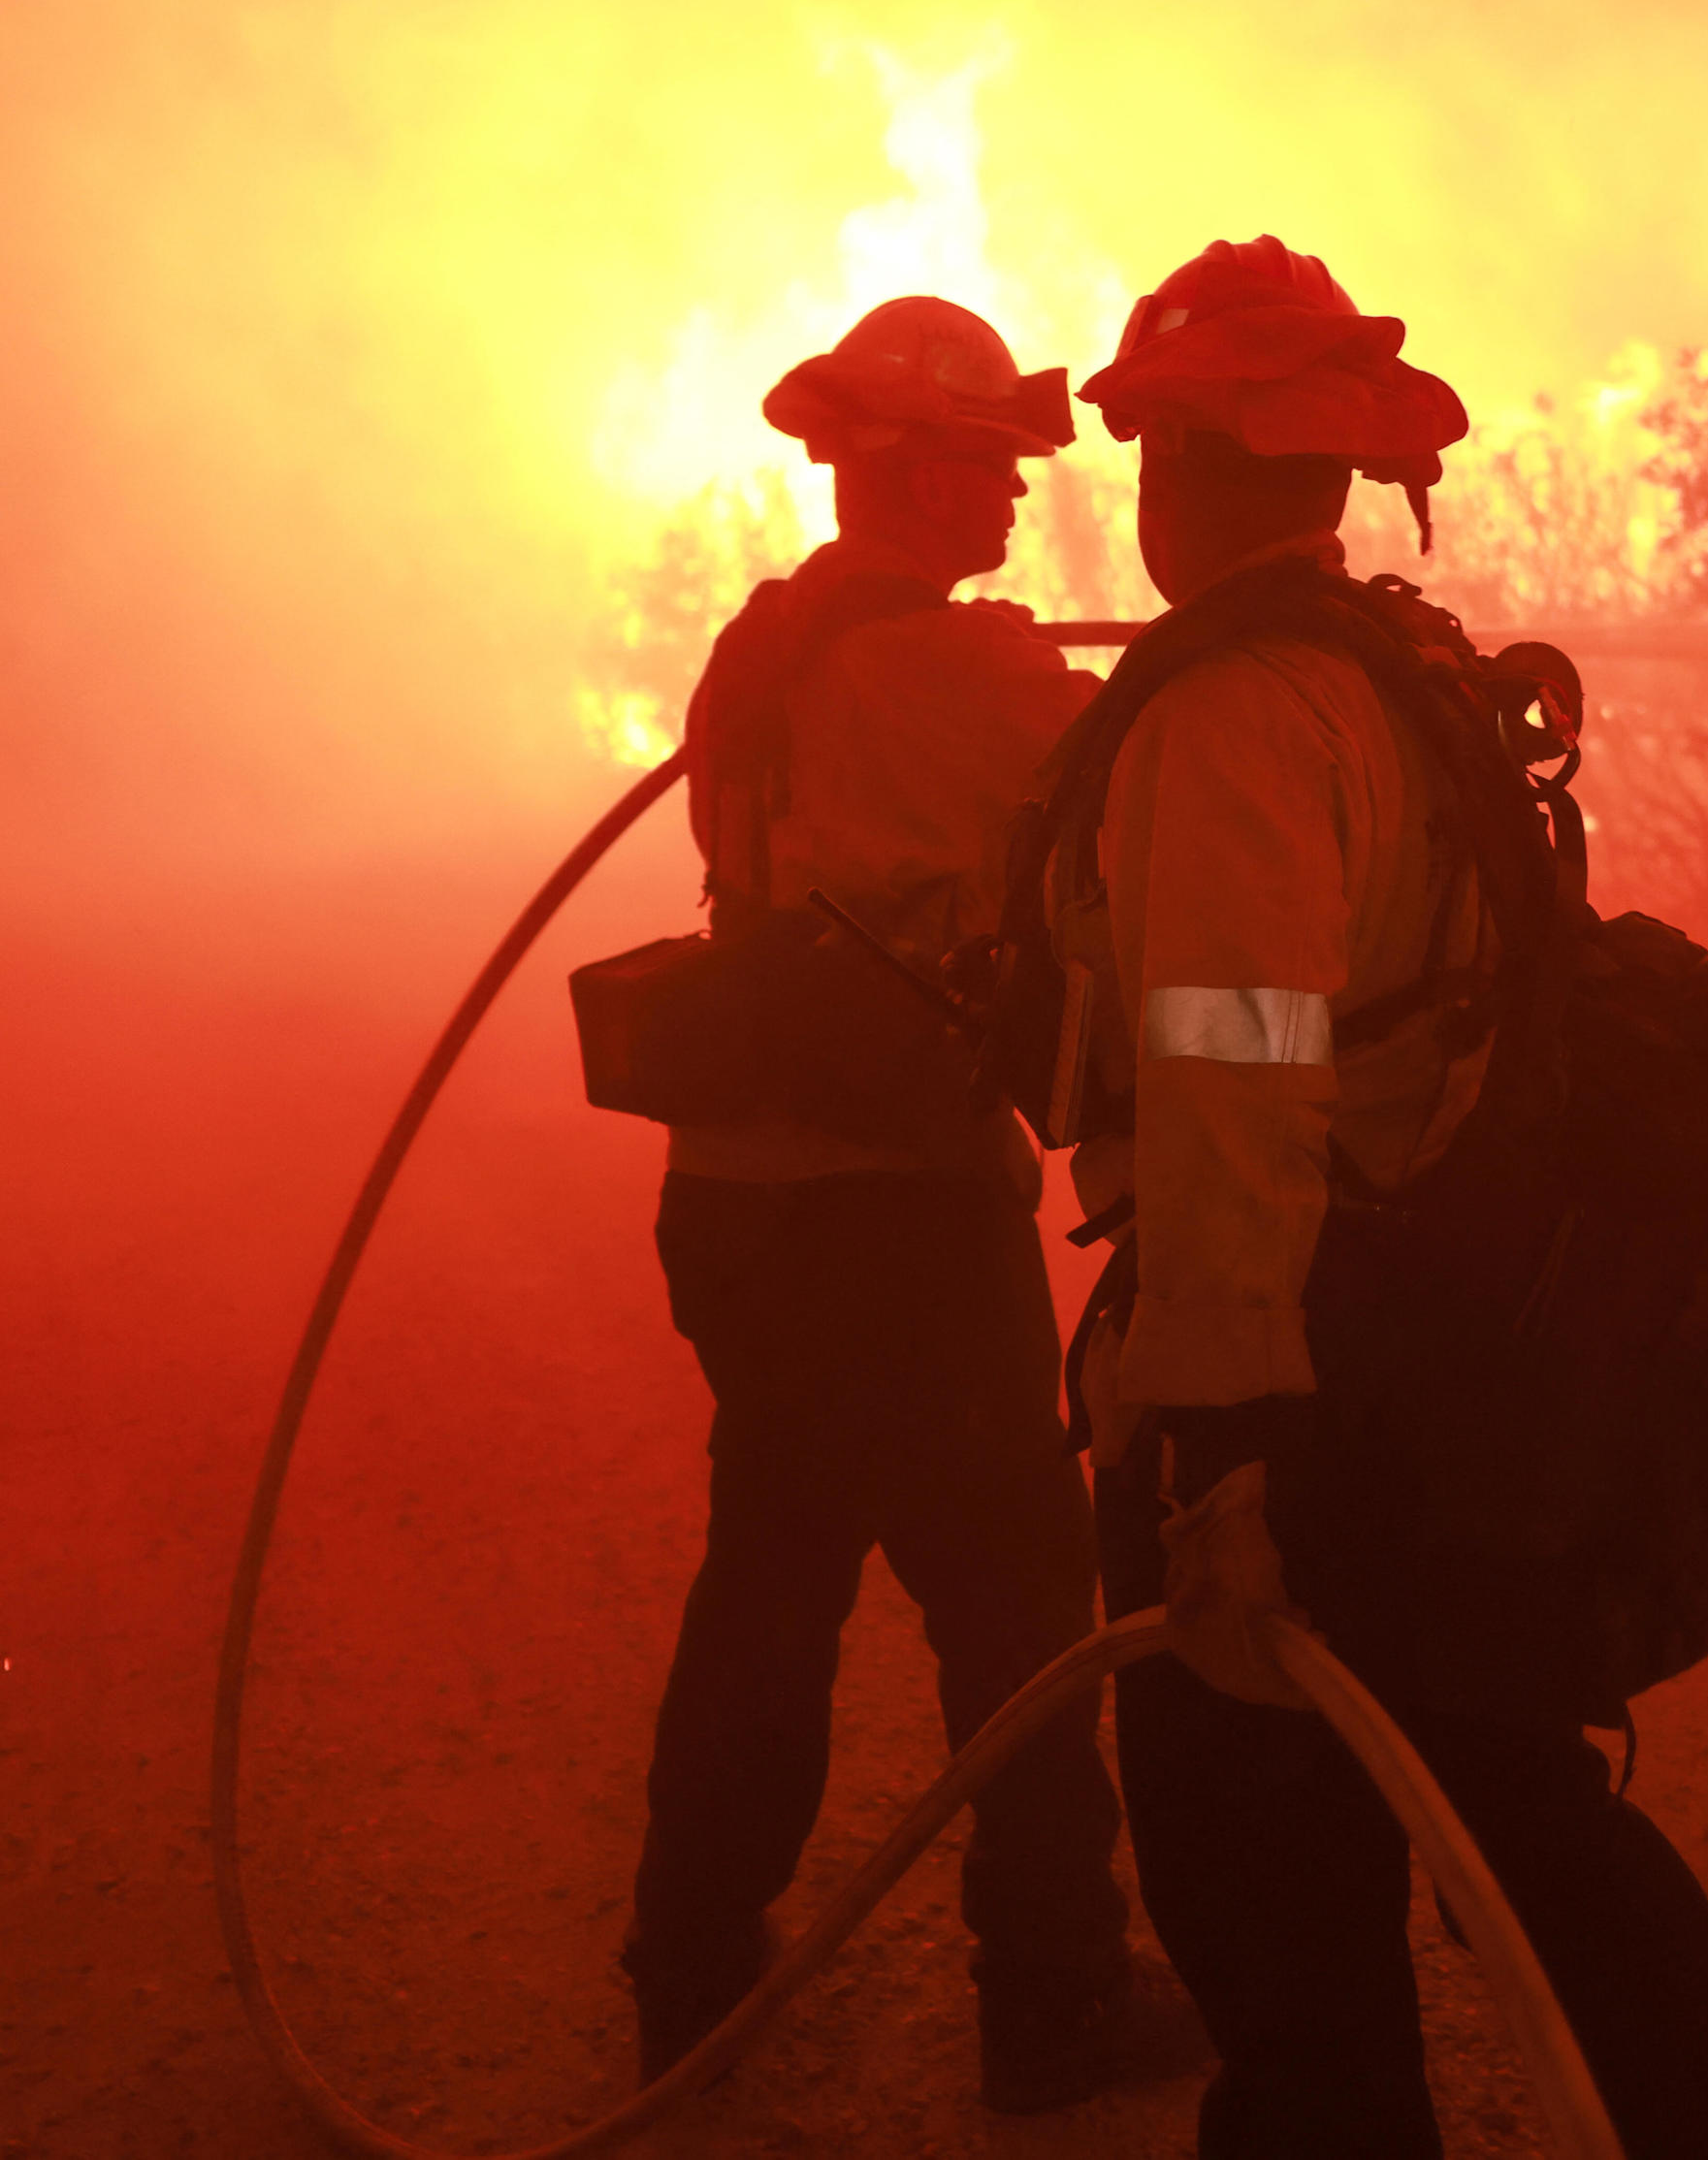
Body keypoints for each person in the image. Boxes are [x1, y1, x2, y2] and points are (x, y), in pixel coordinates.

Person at [1047, 238, 1708, 2158]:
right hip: (1455, 1348)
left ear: (1173, 471)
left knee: (1267, 1870)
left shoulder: (1234, 721)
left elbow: (1235, 1068)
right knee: (1519, 1811)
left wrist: (1221, 1441)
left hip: (1312, 1383)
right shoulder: (1400, 663)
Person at [620, 295, 1139, 2112]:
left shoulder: (765, 644)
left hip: (741, 1209)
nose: (1013, 505)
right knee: (1016, 1600)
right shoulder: (956, 673)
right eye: (990, 469)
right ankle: (1056, 1998)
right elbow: (1131, 818)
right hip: (897, 1221)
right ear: (912, 472)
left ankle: (682, 1963)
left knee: (770, 1573)